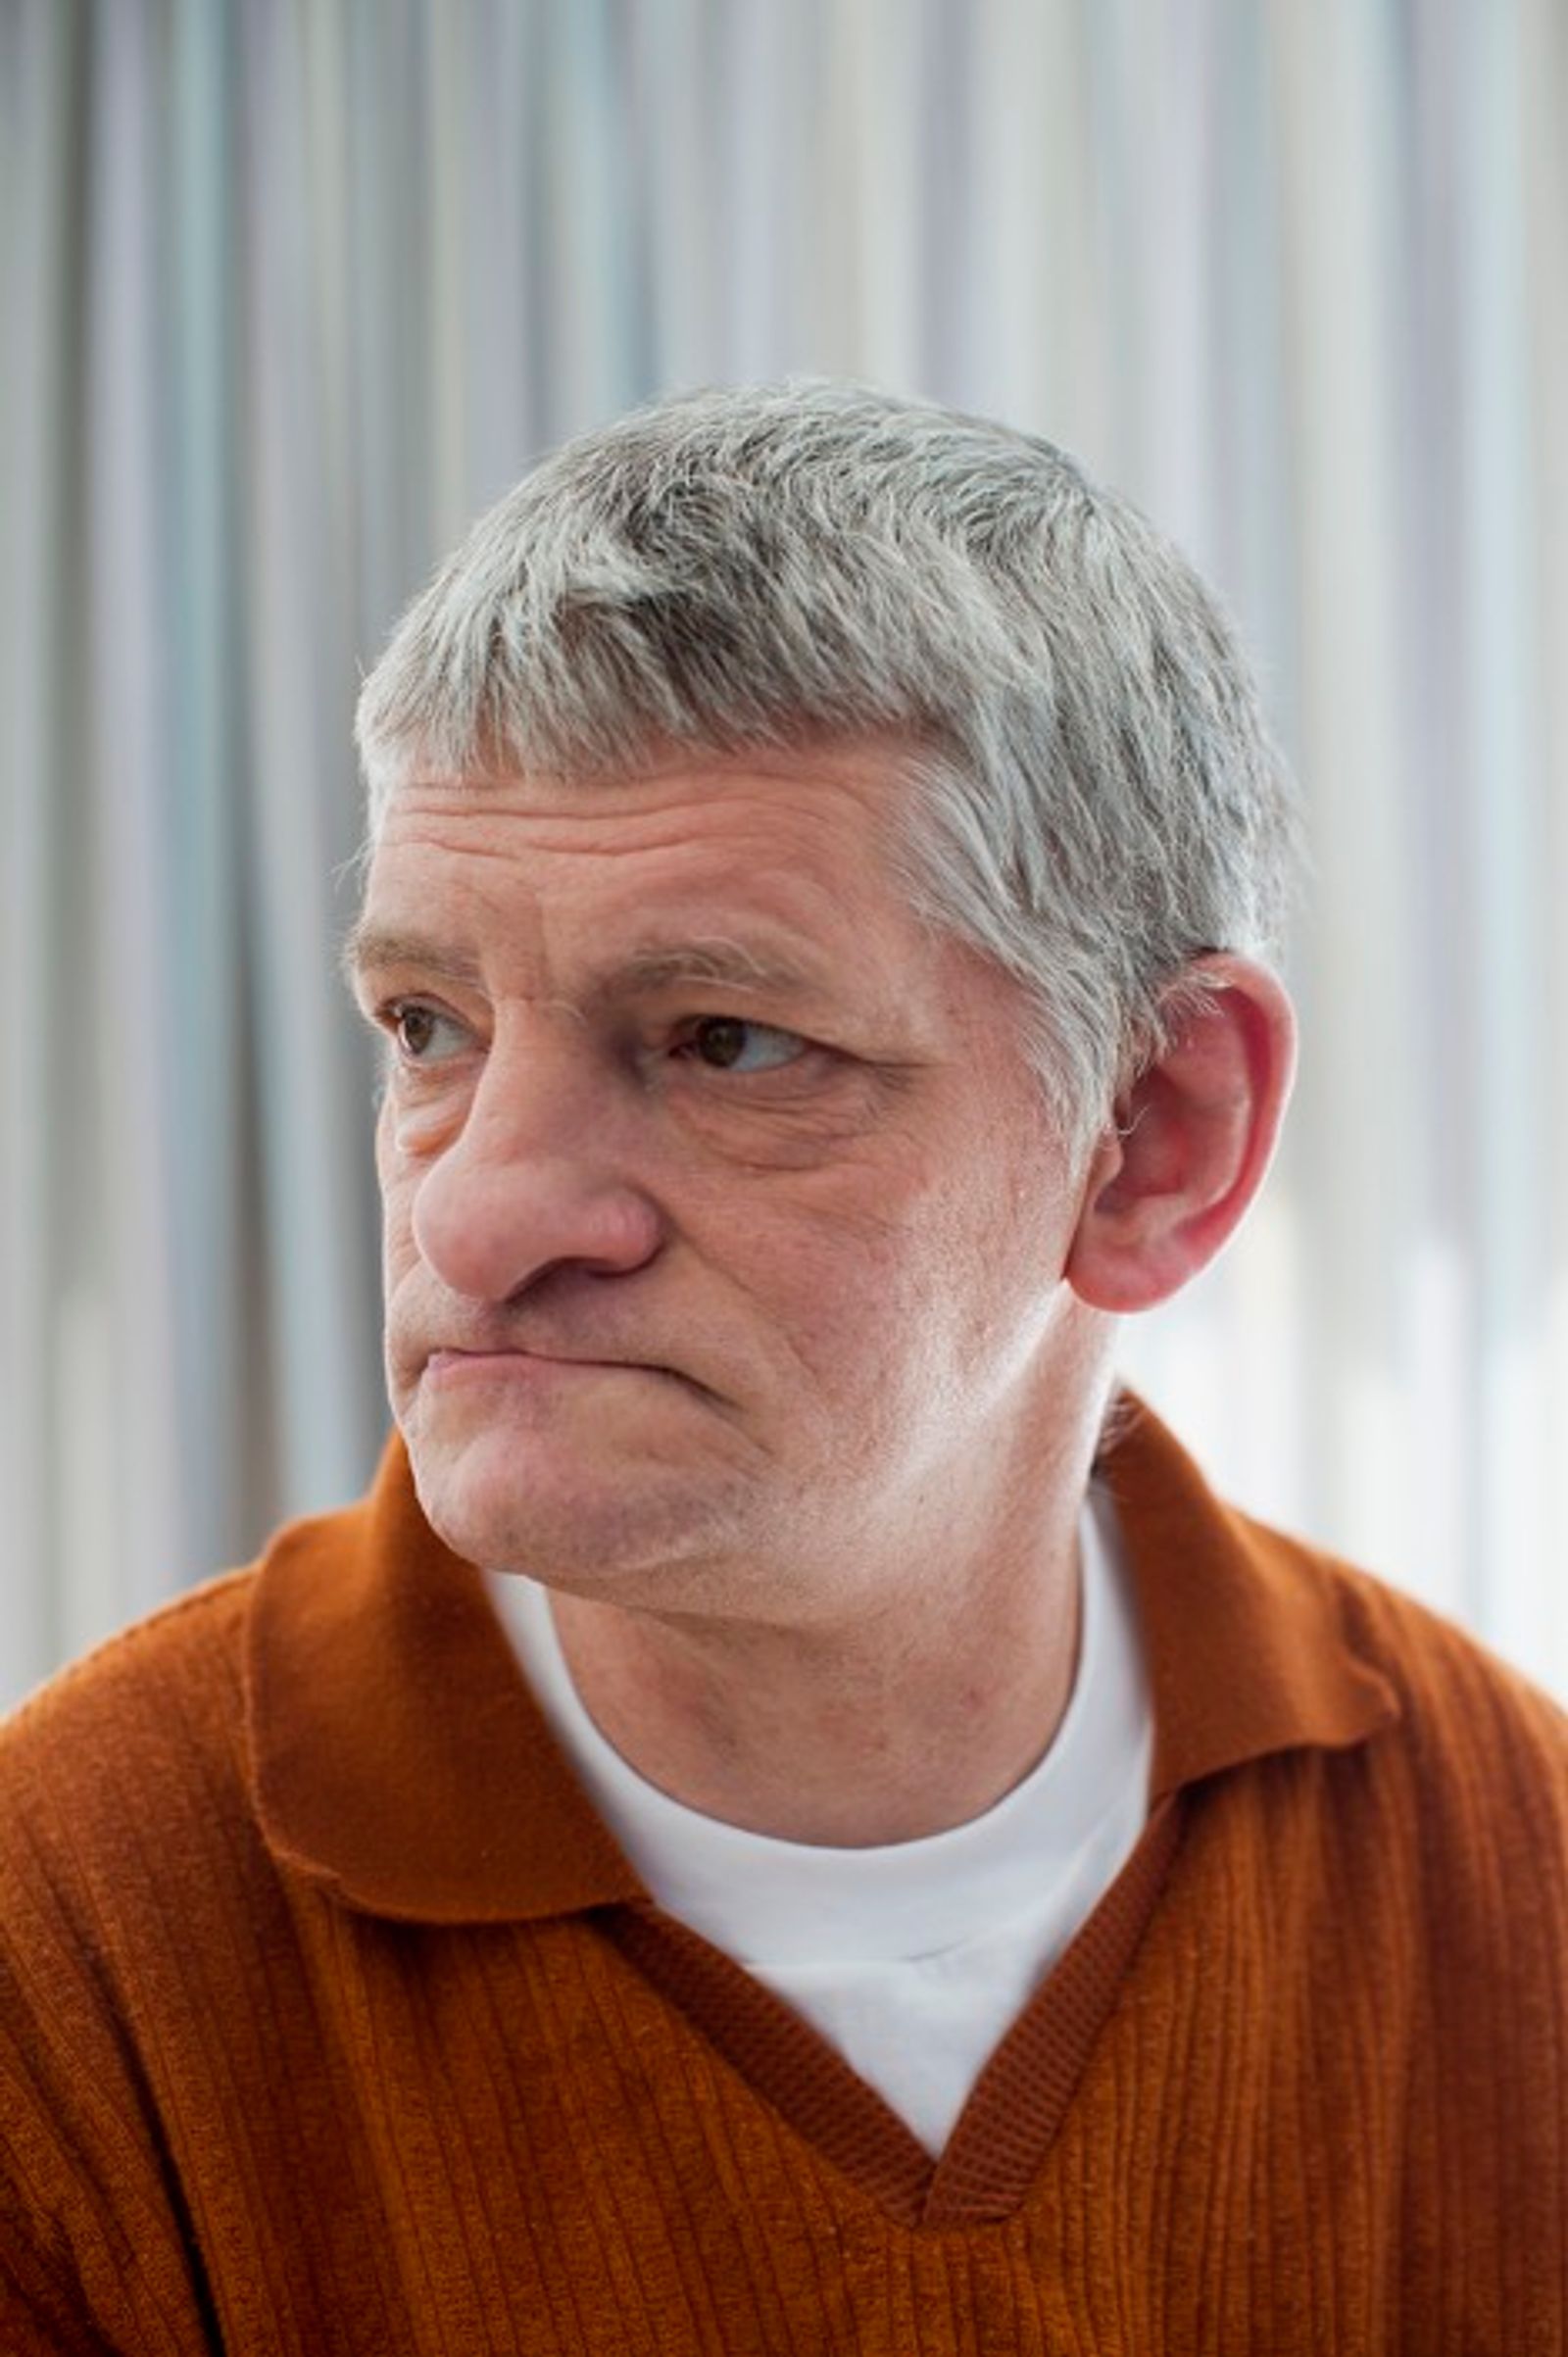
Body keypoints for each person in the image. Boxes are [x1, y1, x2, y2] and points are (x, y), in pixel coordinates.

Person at [2, 382, 1563, 2356]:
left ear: (1149, 1138)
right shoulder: (69, 1940)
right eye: (427, 1023)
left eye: (724, 1040)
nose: (471, 1220)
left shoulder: (1508, 1872)